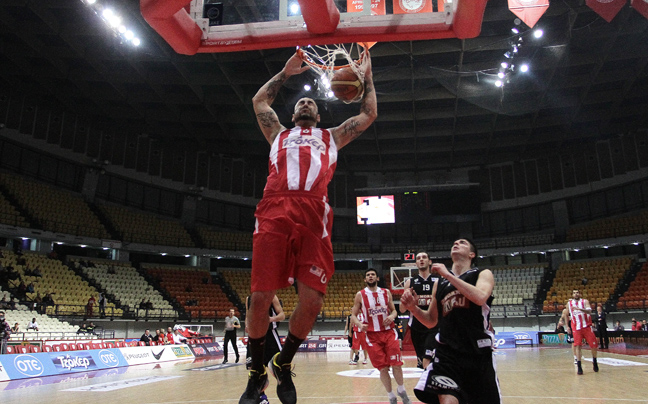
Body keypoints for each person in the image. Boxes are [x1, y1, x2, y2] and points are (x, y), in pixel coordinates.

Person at [240, 49, 377, 404]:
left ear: (318, 114)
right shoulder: (278, 135)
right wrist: (285, 73)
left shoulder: (333, 137)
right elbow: (259, 101)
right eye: (299, 103)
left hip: (314, 213)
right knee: (259, 299)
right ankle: (256, 373)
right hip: (275, 207)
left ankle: (282, 363)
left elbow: (369, 113)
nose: (304, 104)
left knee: (313, 301)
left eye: (310, 103)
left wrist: (368, 77)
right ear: (293, 113)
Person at [400, 238, 501, 404]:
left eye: (462, 243)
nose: (456, 243)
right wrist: (413, 308)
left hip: (476, 351)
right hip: (447, 354)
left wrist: (448, 274)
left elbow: (480, 297)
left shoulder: (482, 274)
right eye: (454, 242)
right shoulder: (440, 284)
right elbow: (431, 321)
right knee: (447, 400)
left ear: (471, 254)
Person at [351, 268, 410, 404]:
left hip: (389, 332)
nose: (370, 276)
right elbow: (353, 315)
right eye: (368, 275)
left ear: (377, 278)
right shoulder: (360, 295)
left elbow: (395, 311)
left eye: (373, 275)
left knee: (396, 364)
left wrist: (391, 316)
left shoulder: (386, 292)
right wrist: (359, 324)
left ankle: (401, 390)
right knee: (383, 368)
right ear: (365, 280)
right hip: (372, 336)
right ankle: (391, 396)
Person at [399, 251, 438, 369]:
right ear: (416, 263)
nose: (421, 259)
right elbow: (401, 309)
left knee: (431, 360)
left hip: (435, 325)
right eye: (418, 258)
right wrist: (410, 303)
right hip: (417, 327)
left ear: (430, 262)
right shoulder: (410, 282)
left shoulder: (438, 280)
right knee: (421, 363)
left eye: (424, 257)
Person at [245, 295, 286, 404]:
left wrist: (271, 319)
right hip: (255, 336)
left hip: (270, 335)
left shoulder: (272, 297)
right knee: (254, 369)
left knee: (280, 367)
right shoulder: (249, 299)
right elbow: (247, 315)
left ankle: (285, 390)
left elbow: (282, 315)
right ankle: (261, 398)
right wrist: (247, 325)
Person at [560, 289, 598, 375]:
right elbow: (566, 314)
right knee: (577, 345)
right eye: (574, 293)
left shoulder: (585, 301)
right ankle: (579, 366)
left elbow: (589, 311)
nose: (576, 294)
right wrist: (567, 326)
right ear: (572, 295)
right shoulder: (569, 304)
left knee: (593, 345)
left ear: (580, 294)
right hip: (576, 327)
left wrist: (580, 309)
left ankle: (594, 361)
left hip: (587, 326)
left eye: (577, 293)